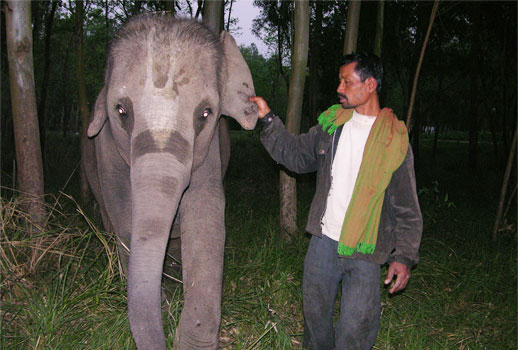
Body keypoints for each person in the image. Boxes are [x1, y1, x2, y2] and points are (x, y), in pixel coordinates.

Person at [249, 52, 422, 350]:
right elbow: (295, 155)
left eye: (346, 81)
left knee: (354, 333)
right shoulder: (332, 126)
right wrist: (267, 119)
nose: (339, 88)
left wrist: (404, 257)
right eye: (339, 81)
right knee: (315, 325)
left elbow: (406, 207)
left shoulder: (395, 141)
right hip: (323, 243)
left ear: (369, 84)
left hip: (366, 252)